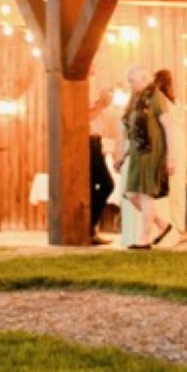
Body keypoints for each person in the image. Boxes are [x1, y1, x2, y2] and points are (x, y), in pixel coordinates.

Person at [114, 66, 174, 249]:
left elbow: (169, 128)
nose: (130, 85)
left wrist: (171, 157)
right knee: (132, 194)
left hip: (151, 152)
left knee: (146, 195)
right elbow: (132, 131)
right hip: (136, 153)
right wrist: (123, 155)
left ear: (143, 79)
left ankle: (144, 239)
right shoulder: (136, 99)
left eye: (132, 81)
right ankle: (162, 224)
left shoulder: (156, 98)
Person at [152, 68, 187, 246]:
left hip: (168, 145)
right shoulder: (177, 102)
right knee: (177, 189)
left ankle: (172, 228)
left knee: (167, 190)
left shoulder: (159, 102)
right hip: (180, 144)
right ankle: (179, 227)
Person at [87, 75, 115, 245]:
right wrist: (101, 104)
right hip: (88, 142)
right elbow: (85, 117)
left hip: (96, 141)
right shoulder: (80, 87)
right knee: (107, 184)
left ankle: (90, 229)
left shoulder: (94, 84)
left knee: (93, 188)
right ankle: (88, 227)